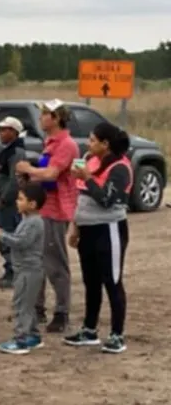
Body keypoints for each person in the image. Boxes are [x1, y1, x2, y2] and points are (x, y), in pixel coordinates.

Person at [63, 123, 131, 354]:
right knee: (91, 281)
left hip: (109, 229)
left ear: (106, 144)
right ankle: (89, 329)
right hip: (88, 229)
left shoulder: (120, 168)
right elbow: (81, 197)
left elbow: (107, 199)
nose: (88, 144)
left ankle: (117, 334)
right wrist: (75, 226)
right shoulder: (90, 160)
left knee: (112, 281)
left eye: (92, 141)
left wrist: (88, 178)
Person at [15, 99, 79, 333]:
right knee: (36, 261)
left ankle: (62, 312)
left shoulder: (66, 144)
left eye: (44, 114)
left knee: (55, 264)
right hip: (42, 208)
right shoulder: (49, 143)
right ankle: (37, 307)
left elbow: (52, 173)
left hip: (56, 210)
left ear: (56, 118)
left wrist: (28, 170)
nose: (41, 118)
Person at [0, 183, 46, 355]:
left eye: (21, 199)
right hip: (25, 269)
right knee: (28, 304)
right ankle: (33, 335)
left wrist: (2, 236)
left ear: (32, 204)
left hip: (29, 270)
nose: (17, 202)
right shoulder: (27, 220)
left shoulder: (34, 223)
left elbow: (22, 242)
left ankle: (20, 339)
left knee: (21, 305)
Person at [0, 117, 26, 289]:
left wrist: (4, 199)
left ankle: (14, 273)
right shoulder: (7, 151)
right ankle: (8, 270)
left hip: (8, 204)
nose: (1, 133)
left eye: (5, 129)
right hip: (1, 201)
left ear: (14, 132)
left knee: (9, 236)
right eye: (0, 129)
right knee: (2, 238)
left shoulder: (16, 152)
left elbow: (14, 180)